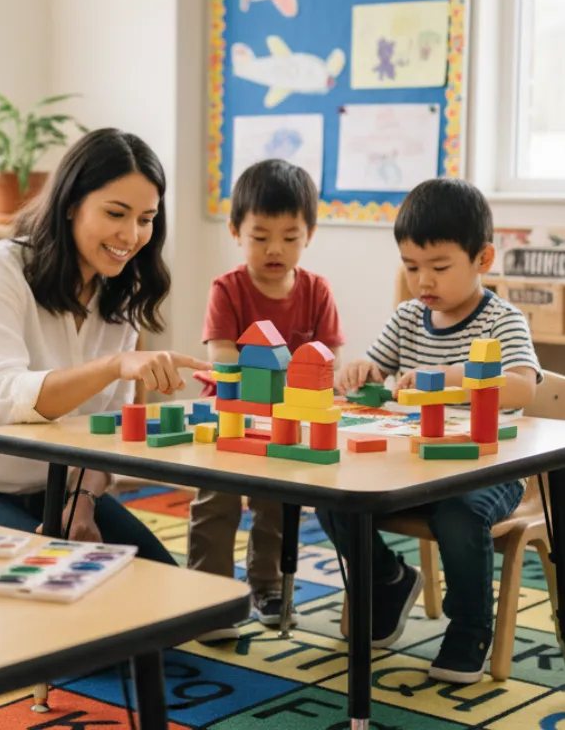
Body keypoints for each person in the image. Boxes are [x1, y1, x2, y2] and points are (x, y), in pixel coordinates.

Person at [0, 128, 211, 563]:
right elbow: (5, 401)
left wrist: (82, 501)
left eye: (146, 219)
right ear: (72, 203)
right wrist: (114, 365)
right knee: (60, 577)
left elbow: (105, 432)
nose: (131, 236)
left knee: (172, 592)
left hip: (49, 491)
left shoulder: (120, 294)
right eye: (116, 213)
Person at [330, 177, 540, 684]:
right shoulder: (407, 319)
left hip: (485, 473)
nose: (424, 281)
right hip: (411, 468)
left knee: (459, 514)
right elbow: (371, 375)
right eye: (411, 266)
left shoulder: (501, 321)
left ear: (482, 259)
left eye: (439, 267)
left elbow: (522, 387)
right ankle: (387, 578)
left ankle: (470, 625)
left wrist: (449, 377)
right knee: (332, 494)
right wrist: (358, 371)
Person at [189, 158, 344, 638]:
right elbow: (221, 354)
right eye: (260, 237)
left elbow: (330, 356)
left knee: (278, 503)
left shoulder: (317, 291)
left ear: (309, 234)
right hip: (231, 416)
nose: (275, 249)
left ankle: (267, 585)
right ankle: (209, 593)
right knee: (218, 503)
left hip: (287, 422)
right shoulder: (228, 289)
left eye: (290, 236)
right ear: (236, 231)